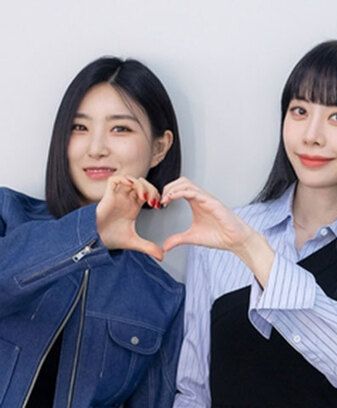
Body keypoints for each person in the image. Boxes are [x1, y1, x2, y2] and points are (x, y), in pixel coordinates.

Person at [171, 40, 337, 407]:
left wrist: (253, 250)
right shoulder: (221, 236)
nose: (311, 135)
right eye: (299, 111)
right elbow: (193, 390)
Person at [0, 57, 184, 407]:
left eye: (120, 129)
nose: (96, 148)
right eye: (79, 127)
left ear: (159, 148)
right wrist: (92, 230)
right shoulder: (7, 214)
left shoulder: (163, 297)